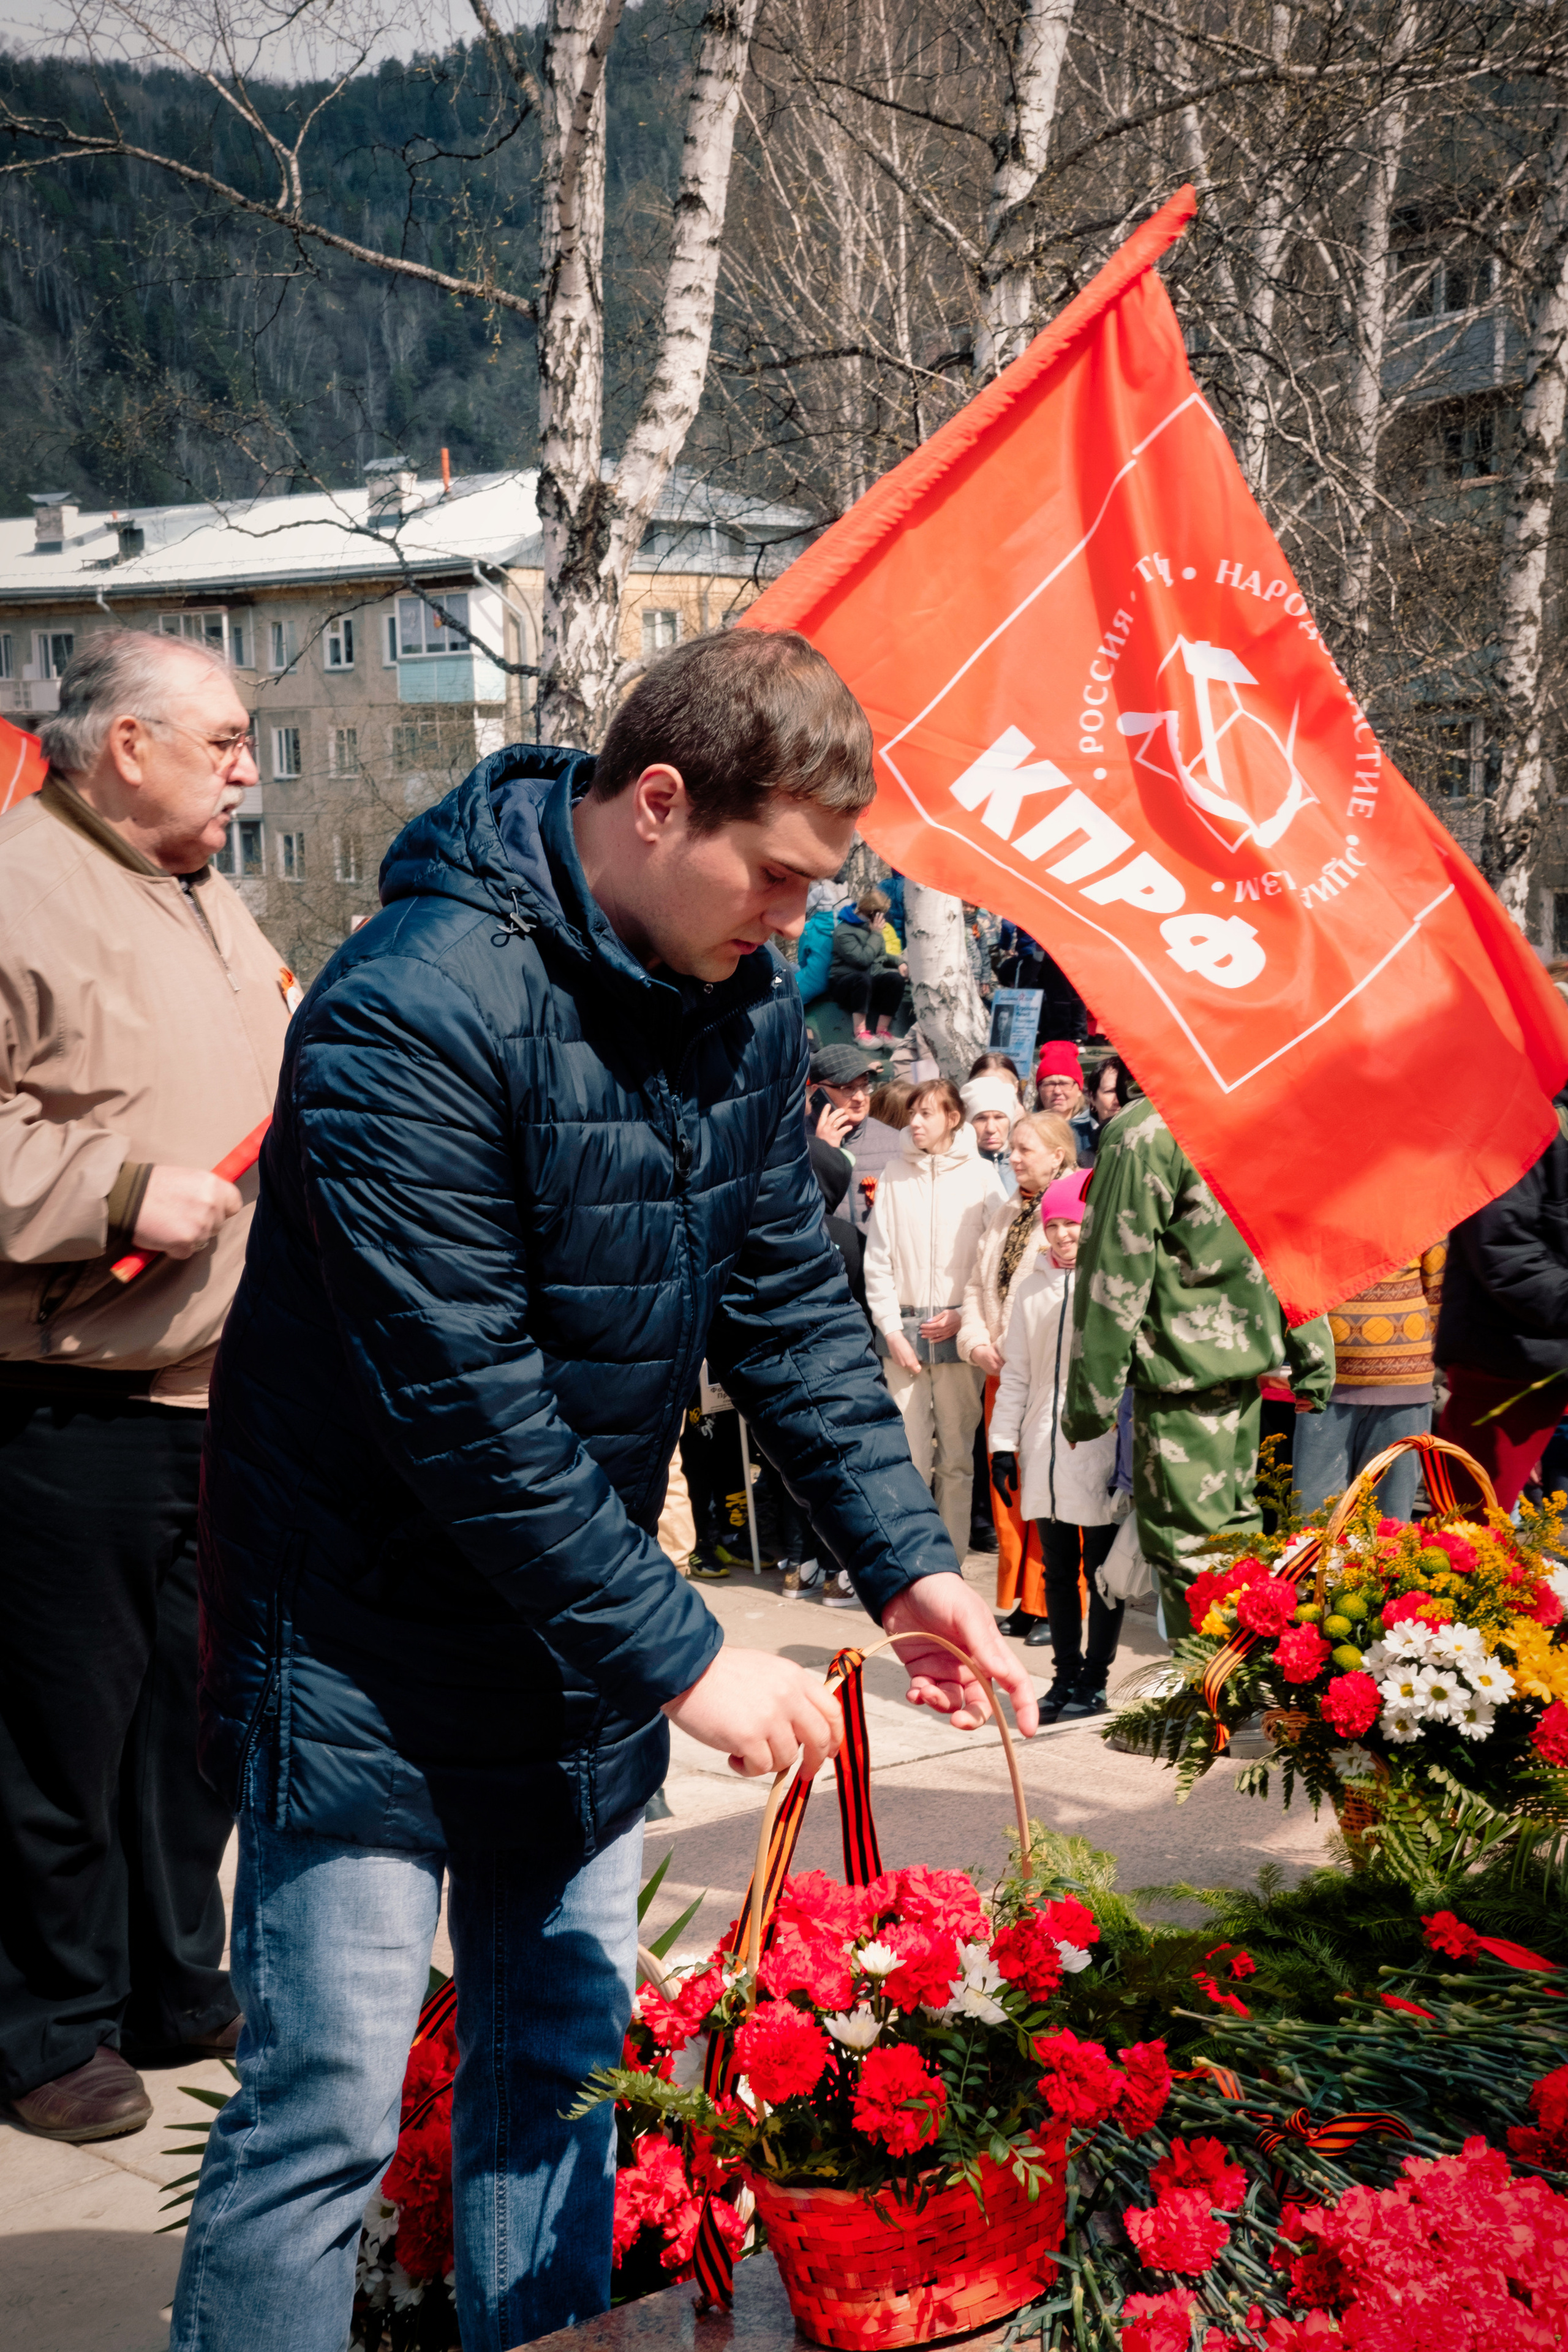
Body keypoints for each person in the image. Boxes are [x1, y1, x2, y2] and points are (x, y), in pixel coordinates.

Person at [173, 627, 1037, 2352]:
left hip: (563, 1655)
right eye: (773, 876)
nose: (791, 924)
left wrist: (909, 1564)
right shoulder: (409, 1004)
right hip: (356, 1650)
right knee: (326, 2115)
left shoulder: (734, 1009)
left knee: (559, 2088)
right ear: (657, 802)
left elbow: (787, 1309)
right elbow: (465, 1405)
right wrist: (686, 1656)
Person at [0, 631, 288, 2143]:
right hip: (64, 1403)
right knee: (55, 1746)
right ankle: (46, 2032)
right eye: (225, 741)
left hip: (218, 1398)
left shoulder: (203, 887)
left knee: (191, 1734)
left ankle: (174, 1984)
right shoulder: (17, 887)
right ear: (127, 745)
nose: (247, 773)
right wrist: (112, 1191)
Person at [1061, 1095, 1335, 1638]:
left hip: (1180, 1384)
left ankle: (1213, 1690)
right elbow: (1295, 1239)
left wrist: (1089, 1403)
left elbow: (1113, 1273)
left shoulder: (1146, 1132)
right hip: (1242, 1379)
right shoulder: (1260, 1115)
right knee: (1237, 1553)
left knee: (1196, 1572)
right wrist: (1313, 1350)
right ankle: (1243, 1684)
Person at [989, 1174, 1123, 1717]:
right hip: (1044, 1447)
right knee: (1057, 1572)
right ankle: (1065, 1676)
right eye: (1055, 1225)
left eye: (1074, 1223)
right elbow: (1017, 1373)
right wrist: (1003, 1444)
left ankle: (1096, 1679)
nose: (1064, 1234)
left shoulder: (1113, 1281)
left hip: (1099, 1446)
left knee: (1104, 1574)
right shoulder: (1032, 1288)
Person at [864, 1076, 1005, 1556]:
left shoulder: (982, 1176)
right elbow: (878, 1260)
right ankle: (914, 1562)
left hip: (958, 1335)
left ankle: (953, 1562)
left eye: (927, 1113)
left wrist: (965, 1314)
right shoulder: (893, 1173)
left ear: (952, 1118)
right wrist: (890, 1329)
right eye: (913, 1112)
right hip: (903, 1337)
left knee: (958, 1460)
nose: (916, 1122)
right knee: (908, 1456)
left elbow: (995, 1261)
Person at [958, 1112, 1077, 1631]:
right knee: (1009, 1490)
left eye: (1026, 1149)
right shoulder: (1009, 1208)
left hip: (1045, 1373)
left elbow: (1048, 1294)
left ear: (1057, 1155)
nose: (1013, 1157)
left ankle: (1053, 1601)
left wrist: (1004, 1347)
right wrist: (976, 1343)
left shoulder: (1071, 1211)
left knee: (1055, 1488)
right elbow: (976, 1284)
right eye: (1013, 1148)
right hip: (999, 1372)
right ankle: (1023, 1600)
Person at [1435, 1090, 1568, 1508]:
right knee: (1467, 1527)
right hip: (1508, 1363)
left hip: (1543, 1357)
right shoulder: (1517, 1126)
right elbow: (1506, 1253)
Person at [1294, 1244, 1447, 1522]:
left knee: (1388, 1522)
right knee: (1313, 1519)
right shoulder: (1313, 1215)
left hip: (1404, 1382)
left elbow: (1438, 1290)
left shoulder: (1423, 1218)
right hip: (1324, 1380)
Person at [809, 1042, 905, 1227]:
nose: (860, 1098)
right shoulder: (793, 1142)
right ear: (817, 1091)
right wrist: (822, 1155)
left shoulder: (896, 1141)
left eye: (864, 1086)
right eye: (848, 1088)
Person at [827, 886, 906, 1041]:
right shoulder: (843, 932)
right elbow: (862, 960)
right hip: (846, 983)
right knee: (862, 979)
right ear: (872, 914)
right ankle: (860, 1033)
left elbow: (880, 955)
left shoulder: (870, 928)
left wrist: (900, 962)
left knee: (895, 979)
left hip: (871, 980)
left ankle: (883, 1031)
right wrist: (876, 934)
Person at [962, 1072, 1023, 1196]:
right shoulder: (958, 1167)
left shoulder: (1026, 1163)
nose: (991, 1129)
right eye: (981, 1118)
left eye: (999, 1117)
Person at [1035, 1040, 1097, 1162]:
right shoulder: (1030, 1131)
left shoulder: (1093, 1132)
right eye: (1050, 1084)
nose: (1057, 1091)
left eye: (1064, 1084)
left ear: (1079, 1090)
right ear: (1039, 1089)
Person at [1087, 1054, 1136, 1150]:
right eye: (1110, 1091)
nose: (1118, 1100)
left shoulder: (1150, 1136)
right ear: (1092, 1097)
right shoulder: (1073, 1139)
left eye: (1124, 1091)